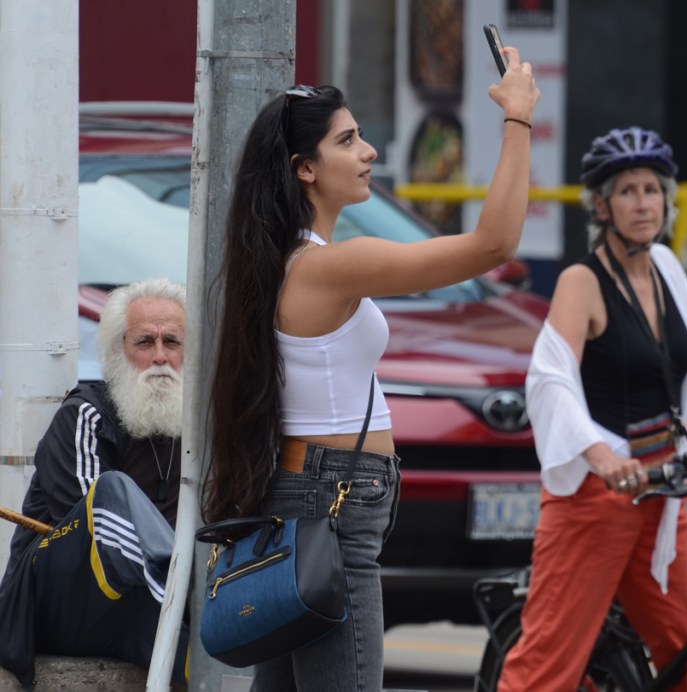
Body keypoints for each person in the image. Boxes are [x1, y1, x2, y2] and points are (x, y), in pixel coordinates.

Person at [202, 47, 539, 691]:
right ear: (304, 169)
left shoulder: (284, 258)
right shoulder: (330, 266)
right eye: (348, 141)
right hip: (332, 500)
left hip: (307, 491)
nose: (369, 154)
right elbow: (493, 245)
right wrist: (517, 120)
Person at [498, 127, 687, 691]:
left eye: (653, 190)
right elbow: (550, 381)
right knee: (546, 668)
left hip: (665, 491)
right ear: (601, 205)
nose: (644, 203)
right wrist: (600, 456)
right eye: (627, 191)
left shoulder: (666, 266)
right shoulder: (581, 282)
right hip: (600, 496)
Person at [0, 278, 189, 688]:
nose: (160, 357)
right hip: (64, 604)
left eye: (172, 342)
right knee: (110, 495)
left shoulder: (202, 432)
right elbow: (91, 528)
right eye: (144, 342)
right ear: (117, 351)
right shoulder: (86, 415)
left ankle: (184, 608)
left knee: (199, 651)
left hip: (135, 616)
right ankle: (178, 591)